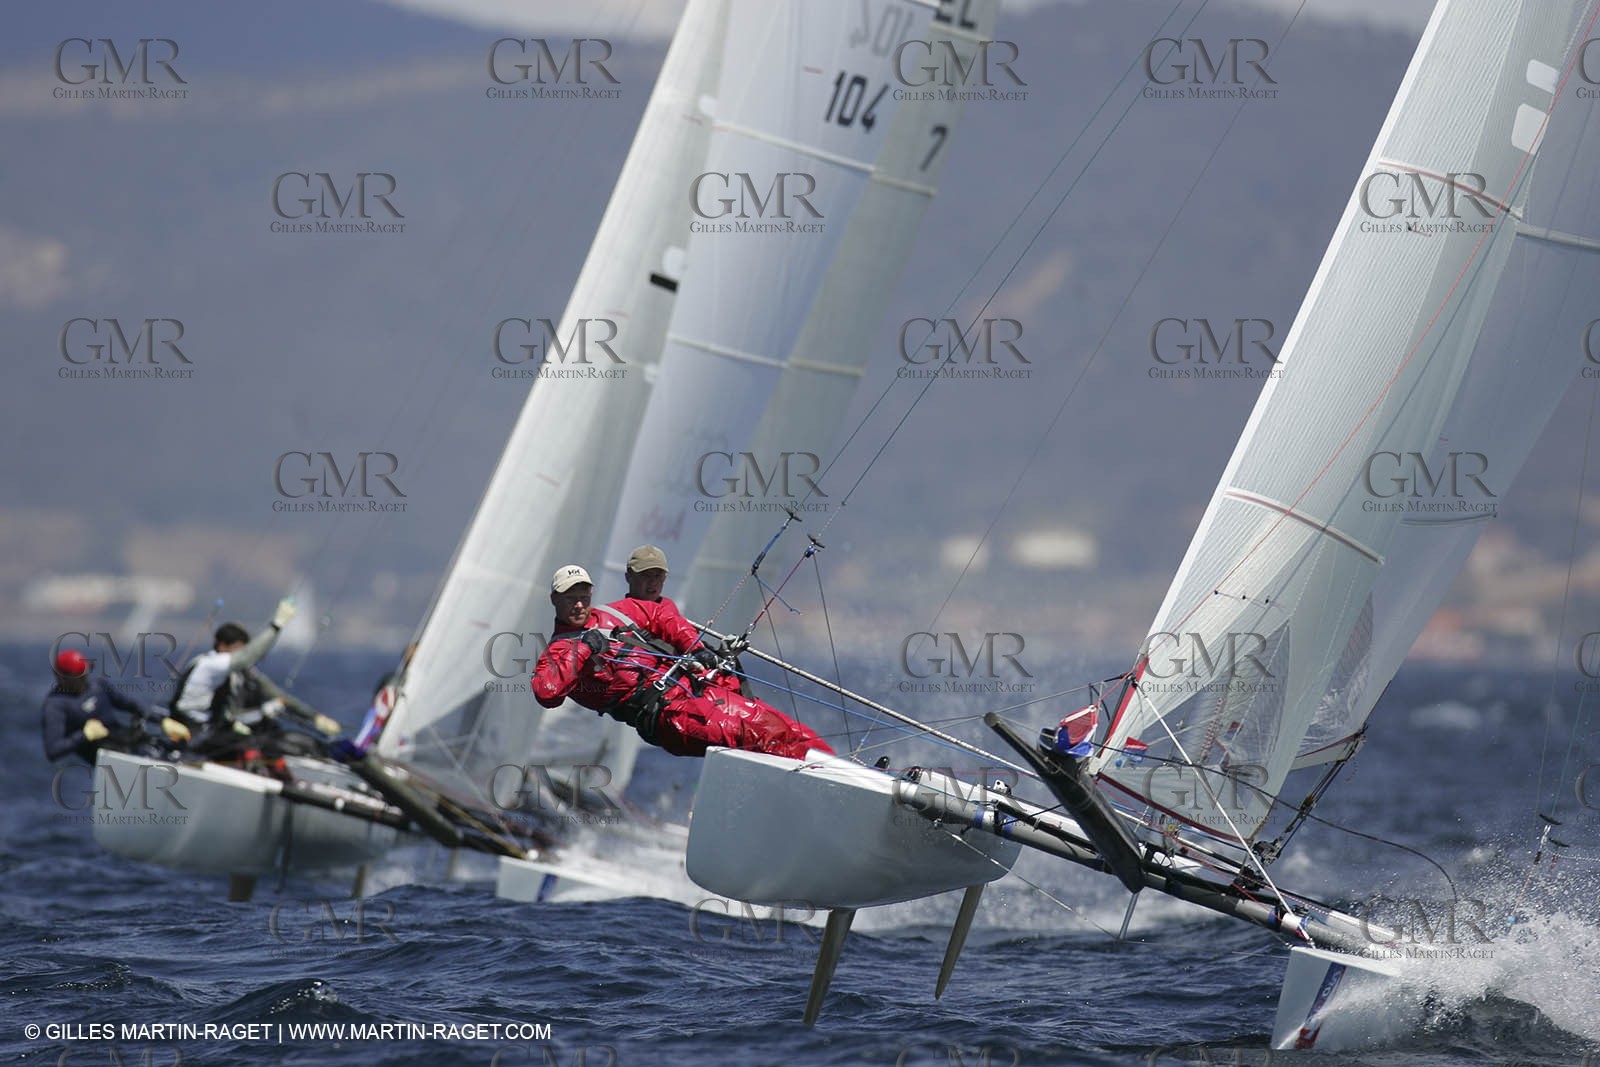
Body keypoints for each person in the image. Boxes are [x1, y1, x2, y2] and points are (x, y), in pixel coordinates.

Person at [530, 565, 831, 760]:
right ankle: (821, 780)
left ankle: (846, 774)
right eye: (570, 598)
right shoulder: (559, 651)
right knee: (759, 734)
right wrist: (582, 648)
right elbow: (546, 692)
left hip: (695, 690)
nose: (579, 604)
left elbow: (663, 615)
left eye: (583, 596)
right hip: (668, 716)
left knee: (788, 729)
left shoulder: (617, 612)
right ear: (555, 600)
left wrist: (696, 648)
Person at [171, 598, 340, 755]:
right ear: (223, 646)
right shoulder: (210, 665)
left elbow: (278, 696)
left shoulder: (240, 672)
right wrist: (277, 625)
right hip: (194, 732)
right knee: (266, 745)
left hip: (216, 731)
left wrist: (315, 717)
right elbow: (249, 657)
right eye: (240, 649)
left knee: (298, 742)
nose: (244, 655)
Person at [41, 649, 191, 764]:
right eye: (78, 678)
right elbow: (53, 751)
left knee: (172, 747)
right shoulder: (55, 706)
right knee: (148, 756)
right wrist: (84, 735)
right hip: (107, 757)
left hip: (125, 739)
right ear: (61, 677)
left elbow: (131, 704)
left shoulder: (98, 685)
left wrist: (163, 721)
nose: (84, 680)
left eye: (85, 674)